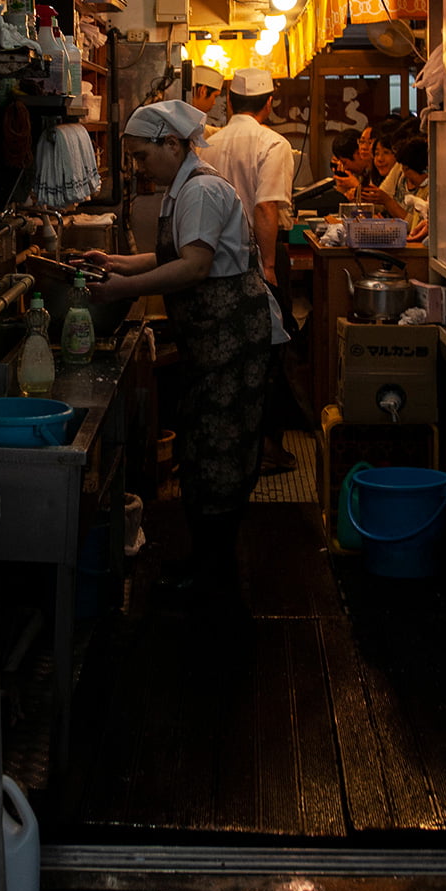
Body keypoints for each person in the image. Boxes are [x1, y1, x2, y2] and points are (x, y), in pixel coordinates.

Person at [84, 99, 288, 609]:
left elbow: (194, 267)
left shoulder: (199, 190)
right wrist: (117, 263)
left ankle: (215, 570)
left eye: (140, 156)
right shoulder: (186, 188)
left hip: (232, 339)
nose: (137, 167)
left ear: (171, 144)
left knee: (219, 448)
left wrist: (117, 291)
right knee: (206, 442)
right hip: (216, 340)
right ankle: (208, 561)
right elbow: (170, 257)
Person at [204, 67, 296, 472]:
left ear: (228, 101)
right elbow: (266, 207)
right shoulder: (272, 143)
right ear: (269, 103)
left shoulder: (208, 143)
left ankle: (226, 445)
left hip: (211, 261)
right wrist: (270, 266)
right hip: (258, 259)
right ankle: (265, 450)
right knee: (269, 352)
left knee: (223, 355)